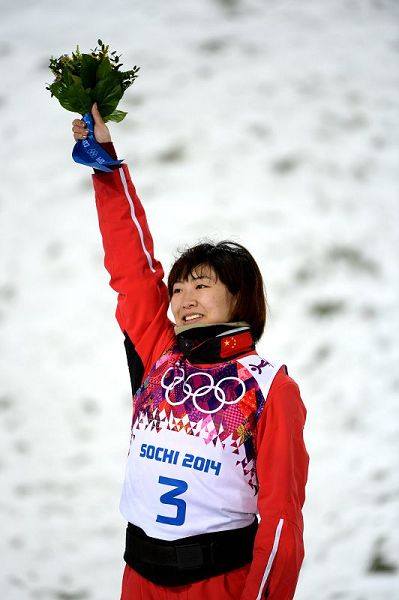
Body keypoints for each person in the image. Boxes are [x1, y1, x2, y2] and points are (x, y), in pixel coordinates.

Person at [72, 104, 309, 600]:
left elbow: (283, 521)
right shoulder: (158, 353)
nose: (183, 298)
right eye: (178, 289)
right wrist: (106, 163)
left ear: (240, 297)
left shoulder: (271, 388)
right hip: (139, 578)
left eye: (200, 284)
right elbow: (132, 267)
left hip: (218, 583)